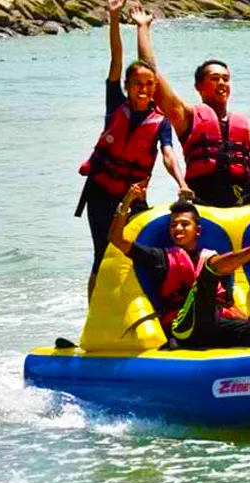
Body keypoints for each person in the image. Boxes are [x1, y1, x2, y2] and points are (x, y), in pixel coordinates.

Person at [76, 0, 191, 302]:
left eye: (150, 84)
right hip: (101, 194)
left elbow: (168, 153)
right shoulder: (116, 103)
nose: (145, 88)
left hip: (133, 197)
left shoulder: (160, 122)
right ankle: (93, 319)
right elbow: (116, 58)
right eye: (138, 83)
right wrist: (114, 18)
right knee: (103, 254)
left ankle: (141, 309)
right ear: (127, 86)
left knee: (139, 250)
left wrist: (181, 182)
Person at [131, 7, 250, 207]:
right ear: (199, 87)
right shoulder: (187, 116)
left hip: (244, 197)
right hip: (203, 198)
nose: (222, 83)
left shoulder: (246, 126)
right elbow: (152, 76)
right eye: (215, 78)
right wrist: (143, 28)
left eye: (226, 79)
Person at [109, 184, 250, 349]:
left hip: (217, 323)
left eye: (184, 224)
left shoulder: (211, 256)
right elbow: (116, 239)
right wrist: (126, 203)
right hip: (184, 326)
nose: (177, 229)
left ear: (197, 230)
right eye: (173, 225)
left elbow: (227, 302)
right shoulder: (159, 256)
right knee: (210, 270)